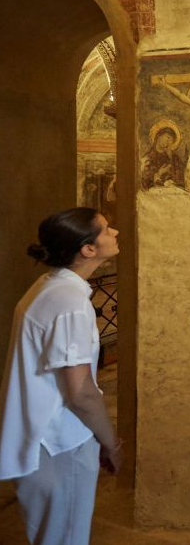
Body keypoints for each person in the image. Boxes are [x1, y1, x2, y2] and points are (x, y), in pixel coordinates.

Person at [0, 207, 123, 545]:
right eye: (106, 229)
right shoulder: (70, 303)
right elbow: (80, 392)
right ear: (88, 249)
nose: (115, 233)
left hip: (41, 440)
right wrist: (111, 443)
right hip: (60, 443)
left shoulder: (48, 286)